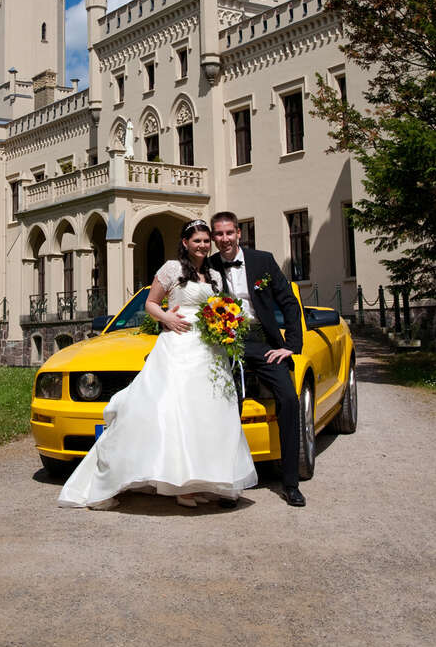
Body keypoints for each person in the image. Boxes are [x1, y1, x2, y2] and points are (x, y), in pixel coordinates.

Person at [57, 219, 258, 509]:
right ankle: (160, 483)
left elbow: (220, 306)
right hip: (178, 346)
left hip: (209, 351)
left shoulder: (213, 273)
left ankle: (194, 483)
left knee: (204, 416)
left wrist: (225, 324)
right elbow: (151, 302)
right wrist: (166, 318)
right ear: (185, 242)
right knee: (171, 412)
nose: (202, 245)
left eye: (205, 241)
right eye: (197, 241)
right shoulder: (171, 269)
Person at [208, 211, 307, 508]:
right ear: (213, 238)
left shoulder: (263, 261)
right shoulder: (207, 267)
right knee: (226, 407)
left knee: (289, 399)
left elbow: (288, 302)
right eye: (219, 235)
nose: (224, 239)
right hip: (226, 344)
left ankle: (290, 483)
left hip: (263, 342)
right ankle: (228, 485)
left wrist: (291, 345)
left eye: (229, 233)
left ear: (239, 233)